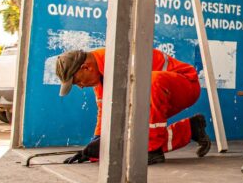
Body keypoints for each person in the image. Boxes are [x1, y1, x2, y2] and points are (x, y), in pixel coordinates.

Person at [55, 47, 212, 165]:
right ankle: (191, 129)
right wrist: (95, 147)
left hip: (185, 85)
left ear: (86, 67)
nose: (81, 87)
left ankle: (152, 150)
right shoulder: (100, 76)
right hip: (154, 95)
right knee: (128, 144)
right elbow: (106, 112)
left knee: (150, 82)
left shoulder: (119, 57)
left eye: (77, 82)